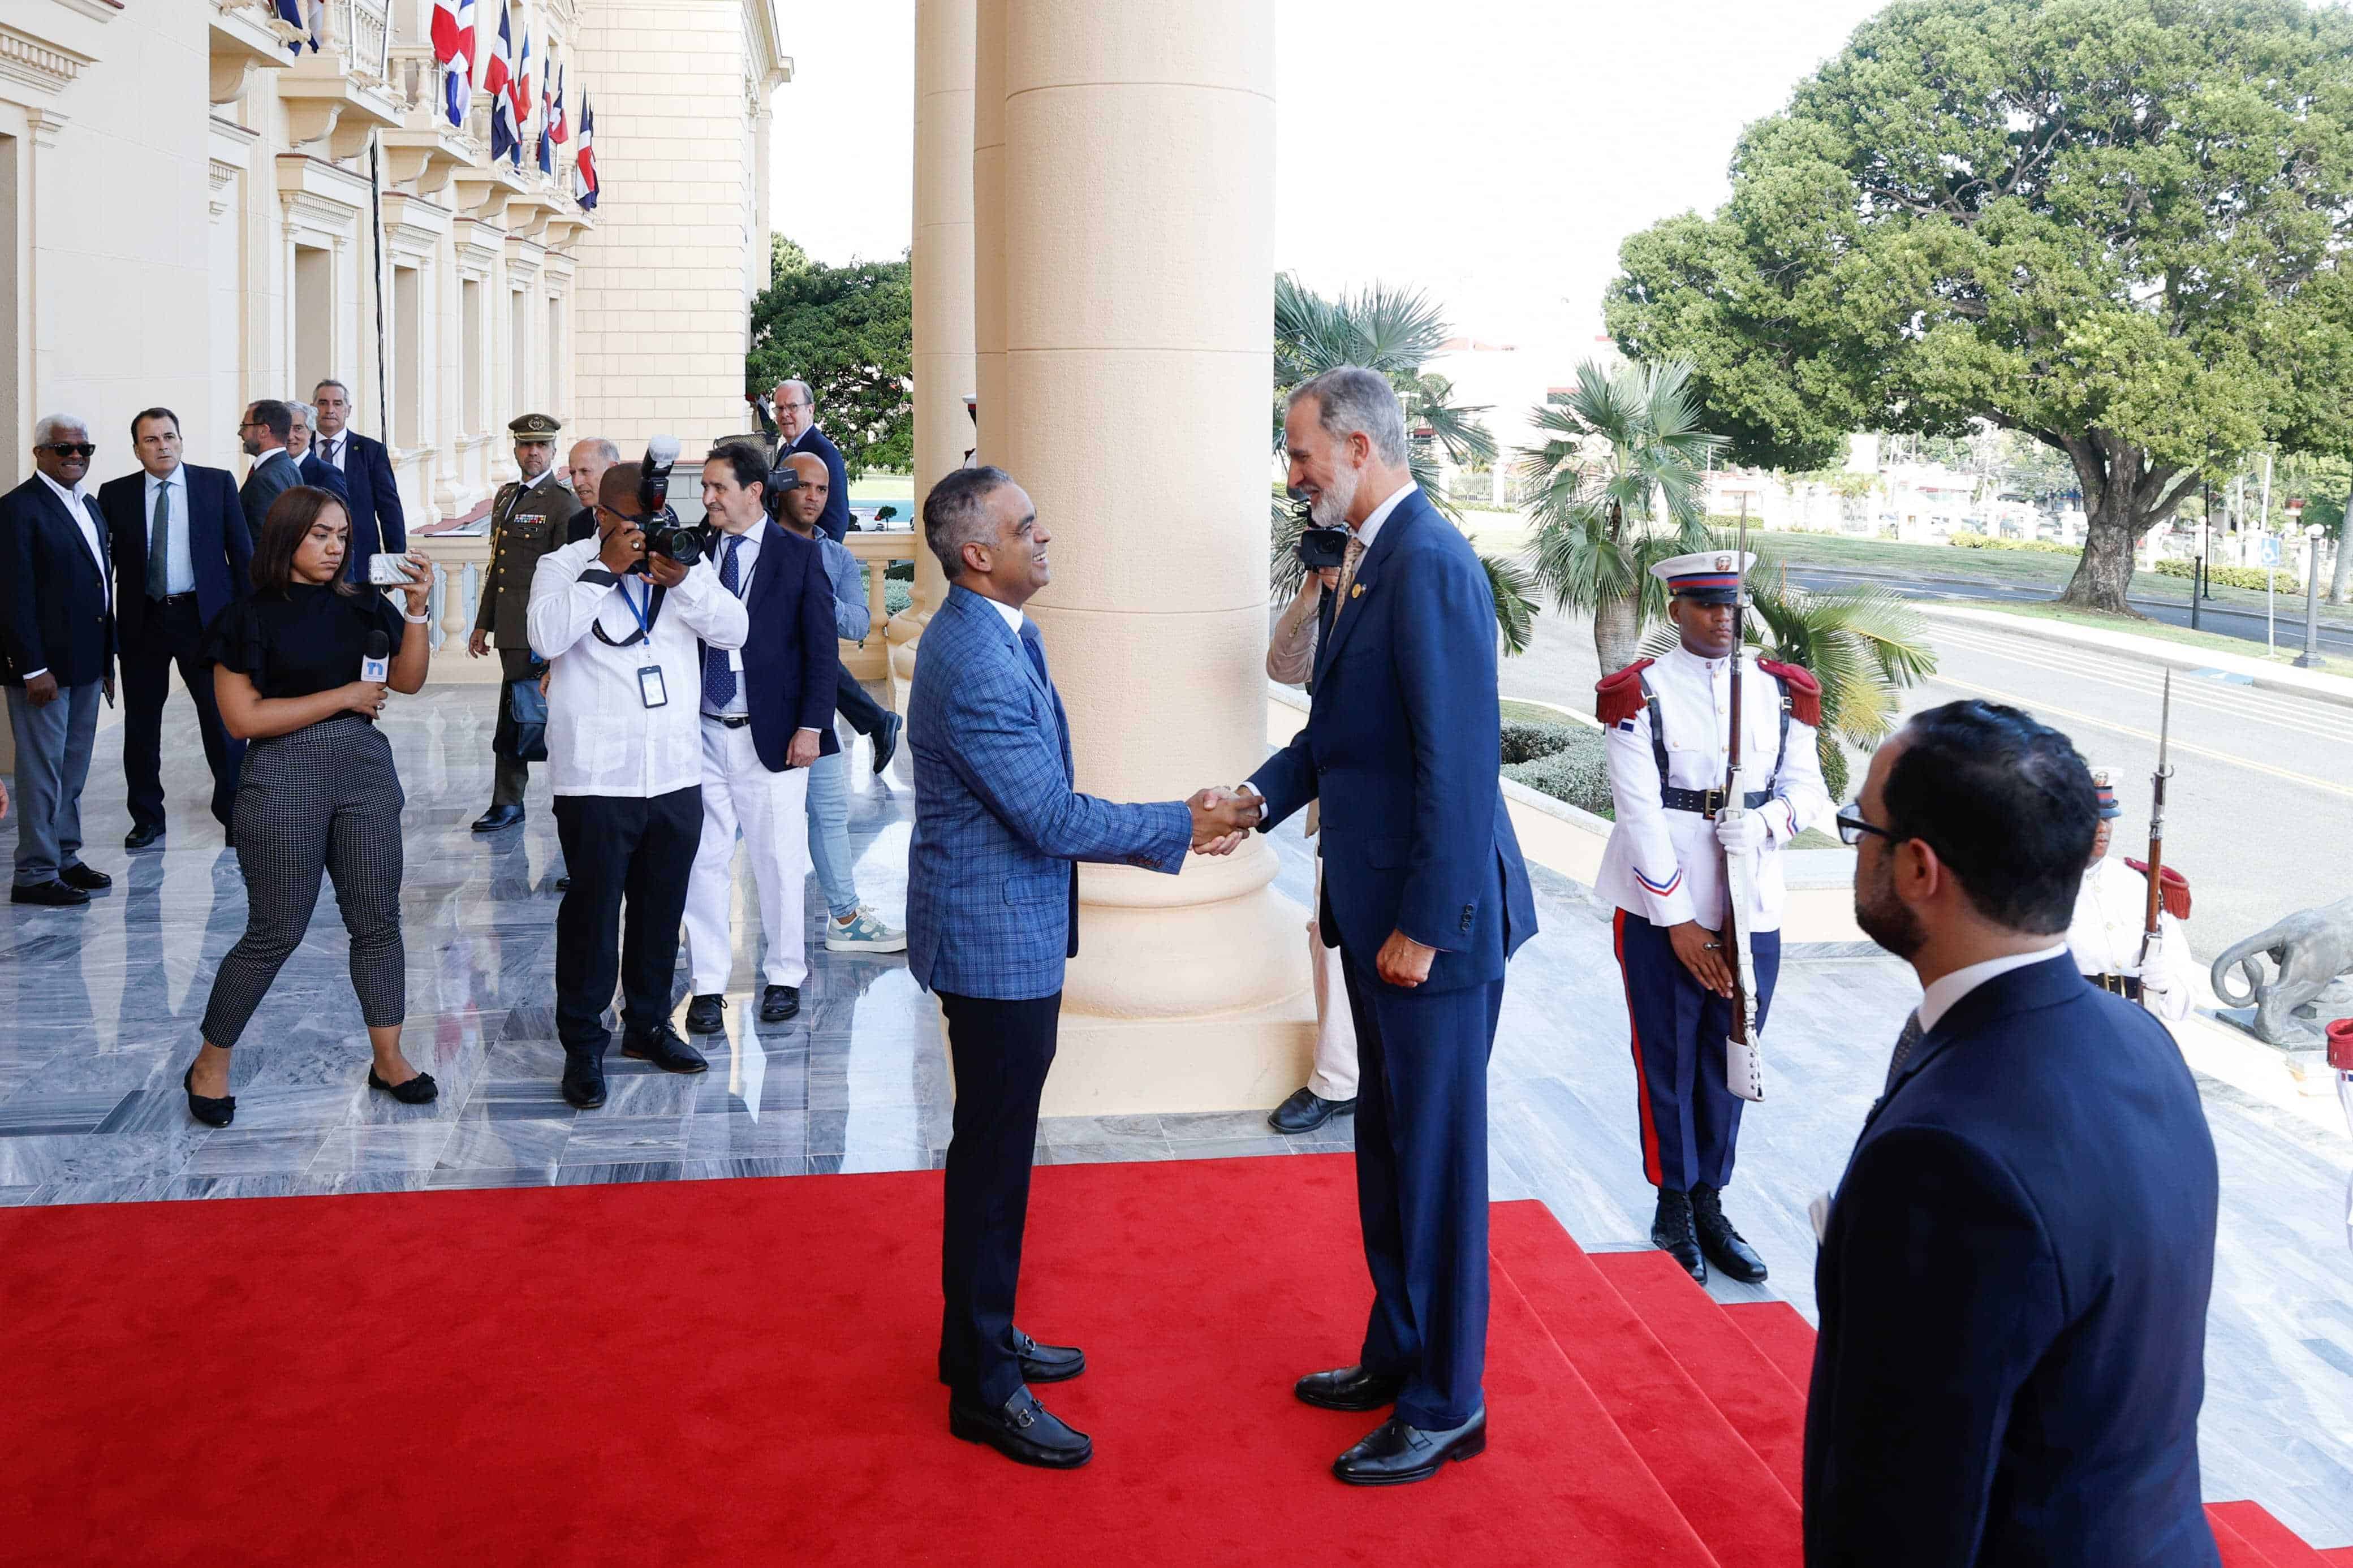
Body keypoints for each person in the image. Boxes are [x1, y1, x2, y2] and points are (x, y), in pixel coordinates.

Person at [1811, 699, 2221, 1566]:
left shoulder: (1943, 1161)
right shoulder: (2141, 1040)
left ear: (1919, 869)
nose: (1854, 847)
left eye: (1863, 826)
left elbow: (1901, 1513)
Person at [908, 464, 1256, 1470]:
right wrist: (1181, 824)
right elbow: (1050, 815)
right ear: (979, 554)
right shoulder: (975, 659)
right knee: (993, 1156)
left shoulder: (1001, 632)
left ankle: (973, 1337)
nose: (1045, 535)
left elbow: (1043, 796)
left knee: (998, 1148)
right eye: (1028, 525)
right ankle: (984, 1385)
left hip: (1004, 928)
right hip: (991, 940)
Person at [1236, 368, 1536, 1485]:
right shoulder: (1368, 563)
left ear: (1358, 445)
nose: (1294, 469)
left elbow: (1458, 764)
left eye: (1302, 450)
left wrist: (1426, 925)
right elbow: (1334, 738)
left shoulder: (1433, 564)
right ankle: (1399, 1353)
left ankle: (1449, 1400)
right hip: (1375, 918)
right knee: (1389, 1148)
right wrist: (1253, 799)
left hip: (1430, 933)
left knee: (1438, 1165)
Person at [1592, 548, 1830, 1286]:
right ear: (1676, 612)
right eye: (1704, 605)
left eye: (1731, 604)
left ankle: (1712, 1200)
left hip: (1751, 897)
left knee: (1731, 1058)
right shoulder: (1642, 693)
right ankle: (1671, 1202)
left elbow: (1806, 789)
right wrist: (1680, 921)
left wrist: (1763, 826)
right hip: (1666, 902)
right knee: (1665, 1056)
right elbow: (1637, 810)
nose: (1722, 617)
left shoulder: (1782, 692)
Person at [177, 486, 439, 1128]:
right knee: (275, 931)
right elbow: (243, 720)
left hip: (365, 774)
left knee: (377, 921)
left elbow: (404, 681)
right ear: (286, 536)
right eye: (320, 534)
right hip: (282, 778)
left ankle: (389, 1059)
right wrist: (345, 695)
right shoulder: (244, 618)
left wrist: (417, 611)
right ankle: (210, 1062)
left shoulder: (360, 605)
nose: (333, 547)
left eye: (342, 536)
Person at [527, 461, 749, 1110]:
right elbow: (543, 634)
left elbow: (733, 629)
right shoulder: (566, 565)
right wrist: (606, 568)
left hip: (674, 772)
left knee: (661, 909)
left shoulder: (679, 563)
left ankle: (648, 1025)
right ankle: (582, 1044)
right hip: (598, 776)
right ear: (602, 518)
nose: (644, 533)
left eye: (650, 522)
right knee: (593, 916)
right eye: (630, 523)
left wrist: (684, 584)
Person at [679, 444, 838, 1033]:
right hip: (699, 731)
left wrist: (811, 727)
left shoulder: (797, 556)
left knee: (777, 860)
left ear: (753, 491)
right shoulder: (694, 554)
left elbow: (822, 651)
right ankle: (708, 983)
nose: (708, 498)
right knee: (704, 860)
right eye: (705, 488)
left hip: (769, 735)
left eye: (719, 488)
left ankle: (784, 974)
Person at [100, 407, 251, 850]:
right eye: (151, 440)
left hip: (203, 621)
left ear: (182, 441)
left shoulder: (215, 483)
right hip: (142, 620)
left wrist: (246, 625)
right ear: (137, 450)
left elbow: (241, 558)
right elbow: (100, 568)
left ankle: (233, 813)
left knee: (220, 720)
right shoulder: (115, 494)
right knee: (142, 724)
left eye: (169, 437)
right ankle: (146, 817)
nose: (162, 446)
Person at [781, 451, 906, 954]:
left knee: (830, 811)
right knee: (752, 826)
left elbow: (857, 624)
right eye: (804, 486)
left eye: (822, 490)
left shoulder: (833, 556)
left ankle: (846, 915)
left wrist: (811, 594)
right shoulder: (756, 548)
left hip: (817, 707)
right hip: (757, 709)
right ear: (780, 487)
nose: (813, 497)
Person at [1, 415, 118, 906]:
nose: (75, 456)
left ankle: (65, 855)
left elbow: (100, 585)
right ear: (39, 453)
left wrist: (107, 660)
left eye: (84, 449)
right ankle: (34, 871)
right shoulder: (17, 509)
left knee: (72, 769)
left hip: (87, 664)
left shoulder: (88, 505)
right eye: (63, 448)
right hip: (42, 672)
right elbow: (12, 593)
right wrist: (31, 667)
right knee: (41, 772)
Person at [1262, 559, 1360, 1135]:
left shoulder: (1401, 582)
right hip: (1339, 807)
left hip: (1392, 810)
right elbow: (1281, 667)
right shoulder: (1330, 598)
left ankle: (1361, 1077)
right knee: (1330, 943)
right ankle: (1336, 1079)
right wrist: (1311, 595)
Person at [468, 413, 575, 833]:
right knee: (514, 714)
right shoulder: (505, 497)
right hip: (510, 630)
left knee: (545, 717)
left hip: (539, 631)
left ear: (553, 451)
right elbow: (498, 566)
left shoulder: (562, 503)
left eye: (542, 446)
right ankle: (508, 801)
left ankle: (564, 802)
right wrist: (482, 624)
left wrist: (553, 639)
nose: (533, 452)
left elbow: (566, 575)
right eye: (526, 445)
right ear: (515, 449)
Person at [2067, 767, 2196, 1022]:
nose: (2102, 828)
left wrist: (2166, 985)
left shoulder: (2138, 886)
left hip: (2133, 1028)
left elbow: (2185, 1002)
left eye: (2107, 819)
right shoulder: (2035, 889)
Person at [308, 379, 406, 585]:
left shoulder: (370, 451)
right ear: (313, 408)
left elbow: (389, 508)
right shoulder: (300, 448)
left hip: (359, 561)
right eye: (323, 403)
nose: (329, 410)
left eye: (337, 404)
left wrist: (394, 562)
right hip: (309, 561)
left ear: (348, 410)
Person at [770, 379, 850, 542]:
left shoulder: (824, 452)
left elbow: (836, 520)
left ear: (810, 409)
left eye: (793, 407)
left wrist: (819, 562)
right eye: (779, 408)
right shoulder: (785, 450)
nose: (785, 414)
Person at [237, 400, 301, 539]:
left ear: (263, 431)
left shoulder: (265, 479)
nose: (240, 433)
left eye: (245, 426)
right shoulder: (288, 467)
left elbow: (265, 541)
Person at [288, 403, 350, 503]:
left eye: (298, 429)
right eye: (285, 429)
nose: (290, 437)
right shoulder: (270, 469)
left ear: (310, 432)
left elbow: (338, 517)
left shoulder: (328, 474)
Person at [563, 438, 618, 545]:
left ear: (612, 470)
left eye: (585, 471)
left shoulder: (635, 517)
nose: (577, 482)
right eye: (573, 473)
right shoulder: (577, 523)